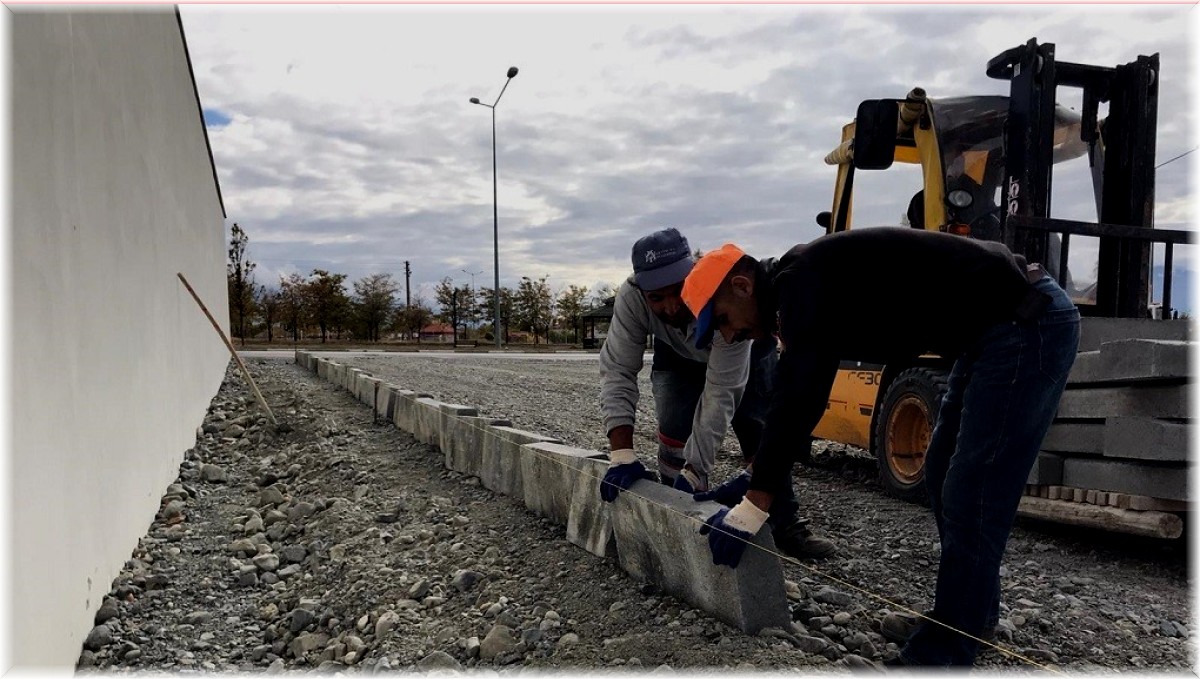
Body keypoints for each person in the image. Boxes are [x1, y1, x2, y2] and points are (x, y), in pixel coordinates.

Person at [681, 227, 1079, 667]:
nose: (730, 335)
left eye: (722, 320)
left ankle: (945, 650)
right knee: (942, 471)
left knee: (974, 488)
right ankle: (965, 619)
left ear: (741, 285)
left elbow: (799, 395)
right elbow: (799, 398)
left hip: (1025, 322)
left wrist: (755, 505)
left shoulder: (800, 282)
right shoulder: (798, 284)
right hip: (986, 333)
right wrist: (755, 480)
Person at [596, 227, 834, 559]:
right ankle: (676, 513)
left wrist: (697, 468)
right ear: (642, 290)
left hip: (742, 344)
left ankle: (784, 524)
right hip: (677, 355)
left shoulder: (724, 298)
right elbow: (618, 369)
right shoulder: (633, 296)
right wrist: (621, 455)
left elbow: (721, 392)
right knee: (673, 426)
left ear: (691, 273)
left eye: (677, 290)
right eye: (657, 297)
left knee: (760, 428)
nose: (670, 306)